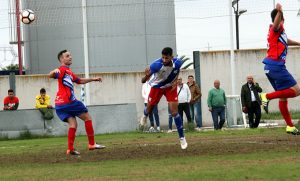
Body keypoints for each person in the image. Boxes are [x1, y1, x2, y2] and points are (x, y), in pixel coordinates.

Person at [49, 49, 106, 155]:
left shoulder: (68, 72)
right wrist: (54, 71)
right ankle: (92, 144)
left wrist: (93, 79)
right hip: (69, 102)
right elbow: (51, 75)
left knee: (73, 124)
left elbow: (79, 81)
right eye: (67, 56)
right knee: (87, 118)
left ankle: (70, 149)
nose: (70, 57)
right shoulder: (62, 70)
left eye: (70, 55)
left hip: (60, 105)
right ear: (61, 59)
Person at [260, 3, 300, 135]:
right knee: (296, 90)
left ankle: (290, 126)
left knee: (283, 97)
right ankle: (266, 96)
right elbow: (276, 24)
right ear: (280, 18)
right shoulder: (276, 27)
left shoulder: (278, 33)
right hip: (276, 66)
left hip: (270, 67)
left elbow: (285, 40)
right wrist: (279, 11)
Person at [140, 47, 188, 149]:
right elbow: (143, 81)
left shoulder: (178, 63)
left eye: (167, 58)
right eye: (163, 58)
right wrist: (146, 76)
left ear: (171, 57)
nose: (164, 60)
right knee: (149, 109)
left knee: (174, 112)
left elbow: (177, 71)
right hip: (157, 87)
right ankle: (144, 115)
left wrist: (175, 82)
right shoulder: (156, 65)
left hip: (170, 87)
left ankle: (182, 138)